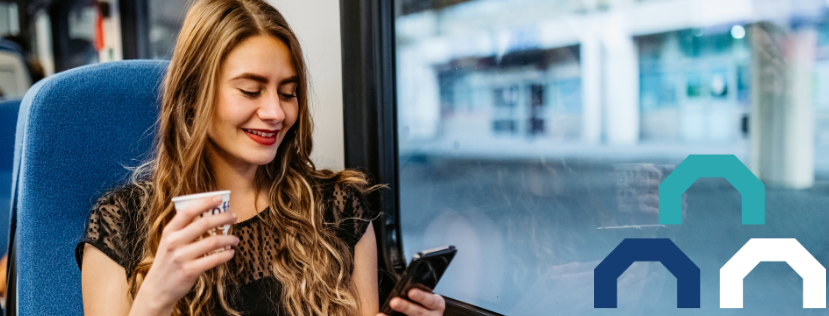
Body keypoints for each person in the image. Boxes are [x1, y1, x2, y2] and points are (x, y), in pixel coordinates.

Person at [75, 1, 446, 315]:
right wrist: (154, 298)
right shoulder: (122, 222)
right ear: (192, 96)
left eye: (288, 93)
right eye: (251, 91)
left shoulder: (337, 210)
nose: (276, 112)